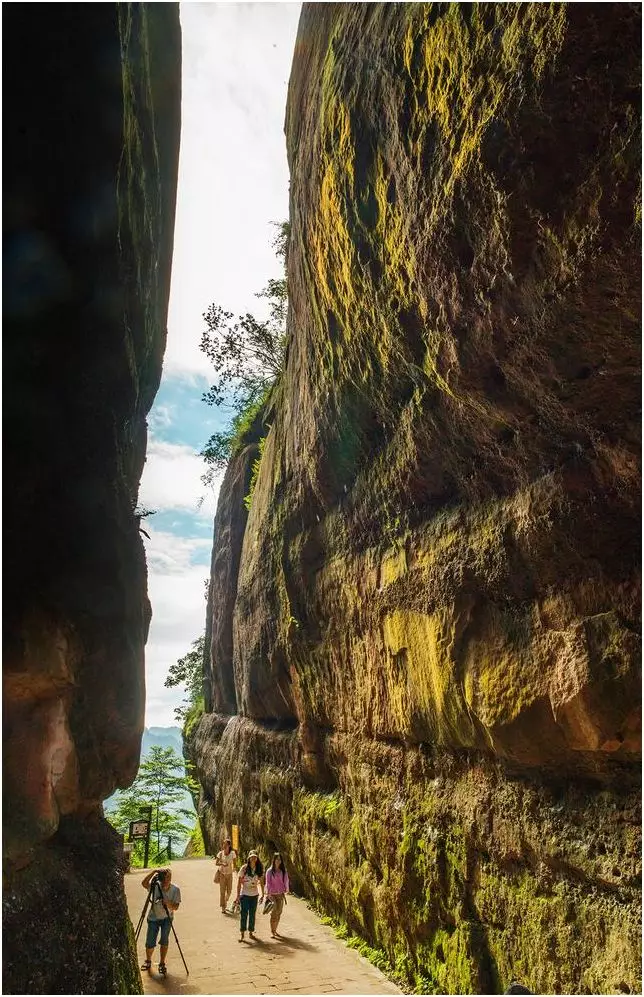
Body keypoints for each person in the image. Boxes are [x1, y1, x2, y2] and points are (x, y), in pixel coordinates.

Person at [140, 868, 181, 977]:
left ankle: (162, 963)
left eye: (168, 877)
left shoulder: (175, 889)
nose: (166, 880)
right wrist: (153, 872)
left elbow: (176, 906)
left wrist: (168, 904)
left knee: (164, 940)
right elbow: (144, 883)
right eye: (164, 877)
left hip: (167, 918)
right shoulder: (155, 886)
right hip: (153, 917)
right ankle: (148, 961)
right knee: (150, 941)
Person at [235, 850, 264, 942]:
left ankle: (251, 932)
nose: (253, 858)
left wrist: (263, 894)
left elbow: (262, 882)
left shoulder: (258, 868)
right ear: (249, 858)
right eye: (252, 857)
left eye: (255, 857)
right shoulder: (244, 868)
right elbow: (239, 883)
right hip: (245, 895)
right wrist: (237, 896)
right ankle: (242, 933)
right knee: (244, 914)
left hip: (254, 895)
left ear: (257, 858)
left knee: (252, 914)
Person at [265, 852, 290, 938]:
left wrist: (287, 890)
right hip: (272, 895)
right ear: (274, 860)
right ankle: (272, 931)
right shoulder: (269, 871)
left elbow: (286, 881)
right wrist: (268, 894)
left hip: (280, 894)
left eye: (280, 859)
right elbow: (267, 883)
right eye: (277, 859)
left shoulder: (283, 871)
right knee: (274, 913)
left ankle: (275, 930)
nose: (278, 861)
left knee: (279, 912)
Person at [214, 837, 237, 912]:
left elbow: (235, 863)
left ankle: (225, 901)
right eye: (223, 844)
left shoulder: (232, 853)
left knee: (229, 891)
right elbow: (216, 863)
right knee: (222, 891)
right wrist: (222, 864)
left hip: (229, 874)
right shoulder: (220, 853)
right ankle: (223, 908)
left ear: (229, 845)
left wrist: (235, 869)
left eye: (226, 844)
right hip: (222, 874)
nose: (224, 845)